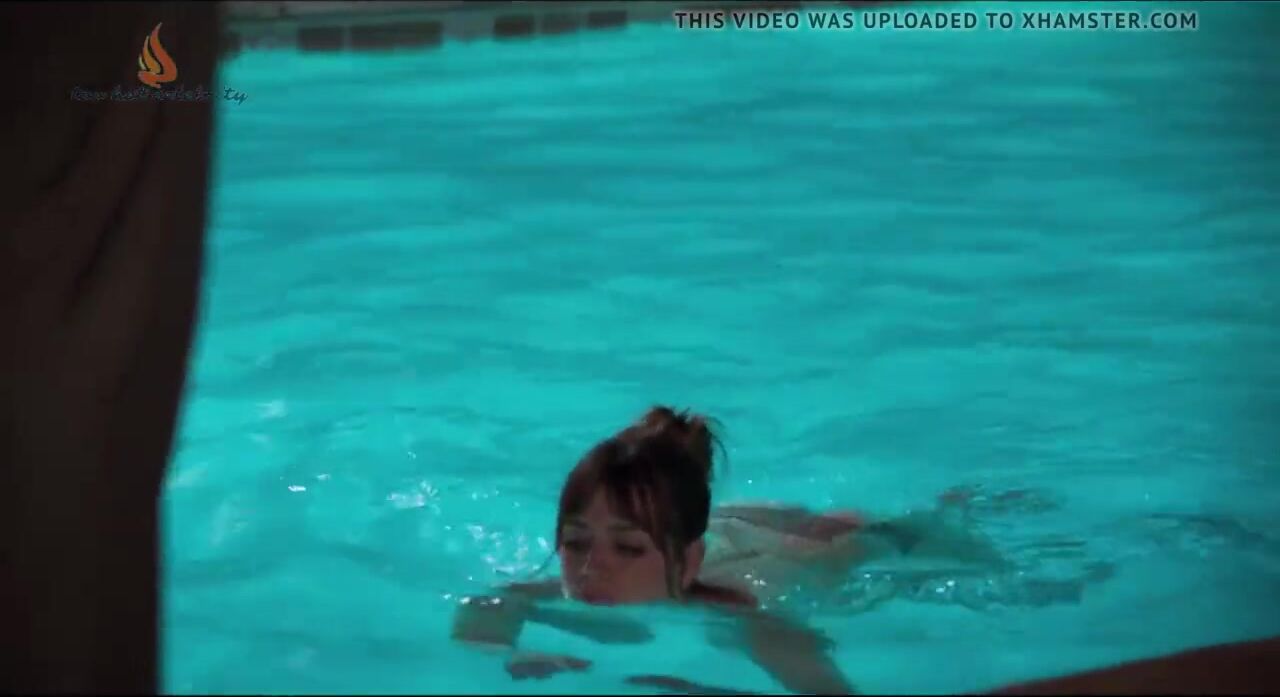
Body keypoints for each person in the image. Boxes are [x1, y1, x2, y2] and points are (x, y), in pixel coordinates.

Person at [450, 406, 1008, 694]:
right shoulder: (569, 588)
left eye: (626, 550)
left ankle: (955, 504)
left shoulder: (741, 614)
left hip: (787, 550)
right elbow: (490, 606)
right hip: (717, 529)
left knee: (851, 536)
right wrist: (509, 655)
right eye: (574, 543)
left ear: (686, 566)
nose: (592, 568)